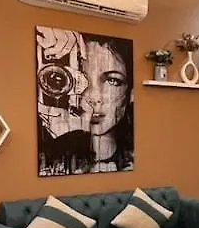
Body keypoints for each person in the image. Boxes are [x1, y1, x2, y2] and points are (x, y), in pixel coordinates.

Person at [36, 28, 134, 175]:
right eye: (80, 78)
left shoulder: (136, 156)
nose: (93, 97)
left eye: (112, 81)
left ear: (131, 93)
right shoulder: (47, 154)